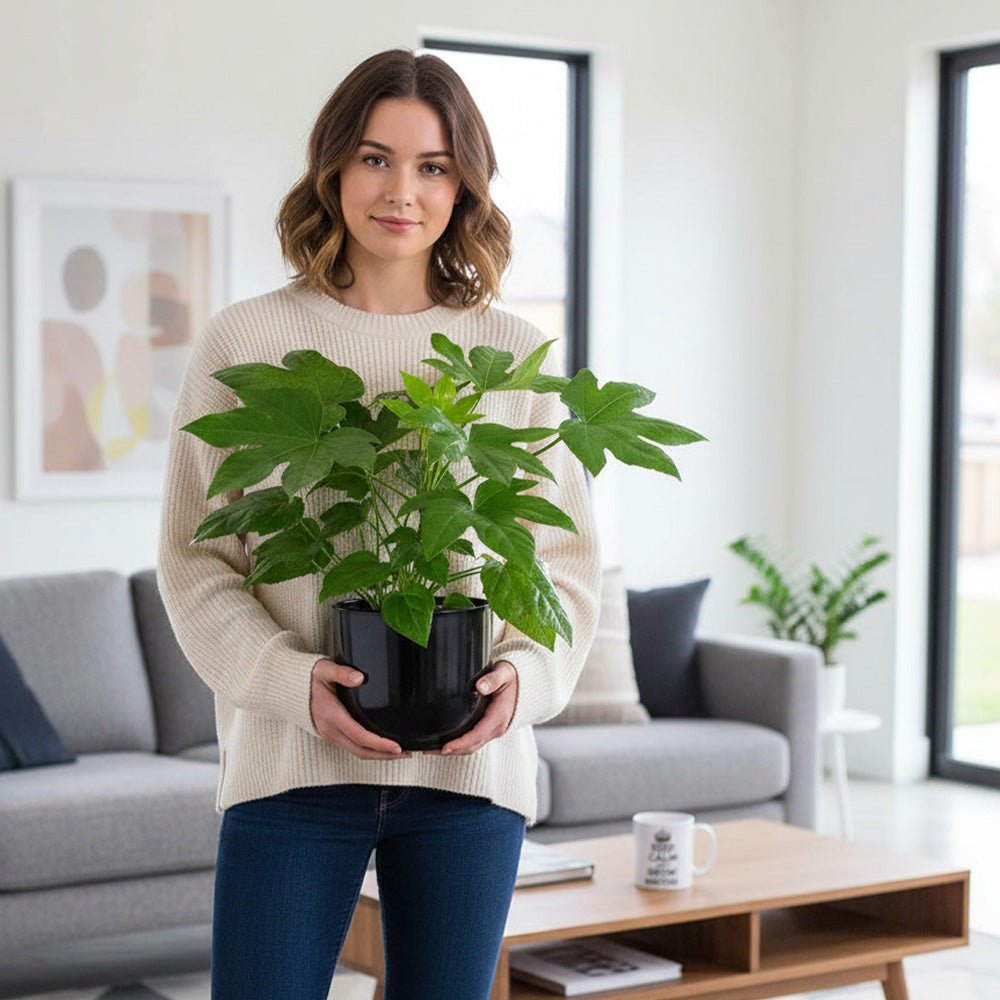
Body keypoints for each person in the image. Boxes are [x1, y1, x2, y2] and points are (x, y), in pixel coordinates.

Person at [158, 48, 601, 1000]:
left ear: (464, 186)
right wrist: (289, 682)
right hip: (290, 766)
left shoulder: (512, 357)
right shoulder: (248, 339)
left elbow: (564, 571)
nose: (402, 189)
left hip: (470, 776)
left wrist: (521, 683)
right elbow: (199, 567)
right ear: (332, 168)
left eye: (433, 165)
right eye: (374, 158)